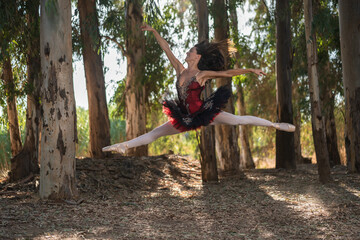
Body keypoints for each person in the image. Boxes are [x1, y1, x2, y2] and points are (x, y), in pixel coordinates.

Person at [102, 24, 295, 154]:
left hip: (204, 113)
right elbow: (166, 49)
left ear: (197, 57)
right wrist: (153, 31)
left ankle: (275, 125)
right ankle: (123, 146)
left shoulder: (201, 75)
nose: (187, 52)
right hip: (184, 116)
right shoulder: (180, 69)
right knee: (155, 133)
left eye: (191, 51)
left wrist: (250, 70)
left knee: (238, 120)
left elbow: (228, 74)